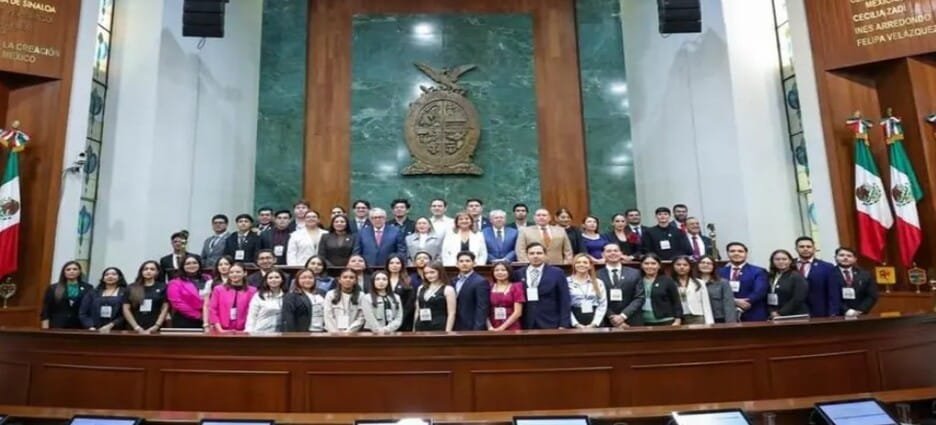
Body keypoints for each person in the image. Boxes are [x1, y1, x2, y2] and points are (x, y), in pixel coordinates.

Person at [517, 243, 572, 329]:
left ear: (545, 255)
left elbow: (564, 299)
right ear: (527, 255)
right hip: (525, 323)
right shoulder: (518, 274)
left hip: (550, 322)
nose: (535, 256)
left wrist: (564, 324)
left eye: (539, 253)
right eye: (531, 253)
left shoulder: (557, 273)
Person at [718, 242, 769, 321]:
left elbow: (760, 291)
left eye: (740, 251)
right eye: (732, 251)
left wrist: (747, 301)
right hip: (726, 315)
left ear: (746, 254)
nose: (736, 253)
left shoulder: (758, 271)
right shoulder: (719, 272)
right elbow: (717, 292)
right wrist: (735, 301)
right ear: (727, 254)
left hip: (752, 313)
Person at [598, 243, 645, 327]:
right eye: (609, 251)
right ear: (603, 255)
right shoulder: (597, 275)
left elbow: (639, 297)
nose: (613, 253)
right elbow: (597, 299)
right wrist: (611, 316)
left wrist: (623, 316)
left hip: (632, 320)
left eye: (616, 251)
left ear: (621, 253)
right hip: (607, 321)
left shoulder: (635, 273)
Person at [40, 261, 93, 329]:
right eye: (68, 269)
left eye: (75, 269)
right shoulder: (53, 288)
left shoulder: (88, 288)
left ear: (79, 272)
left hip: (80, 325)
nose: (71, 271)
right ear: (64, 272)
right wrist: (45, 328)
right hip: (57, 325)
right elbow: (46, 309)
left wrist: (90, 325)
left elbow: (90, 309)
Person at [208, 263, 258, 332]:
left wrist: (247, 329)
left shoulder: (252, 291)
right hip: (221, 329)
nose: (234, 274)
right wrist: (220, 330)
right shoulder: (218, 289)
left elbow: (254, 312)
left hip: (244, 330)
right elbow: (212, 310)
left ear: (245, 273)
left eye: (238, 272)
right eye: (231, 272)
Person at [166, 255, 212, 329]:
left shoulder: (208, 278)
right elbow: (177, 304)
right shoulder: (174, 283)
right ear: (182, 266)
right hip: (185, 321)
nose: (192, 265)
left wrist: (207, 316)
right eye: (188, 263)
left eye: (194, 263)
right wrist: (199, 316)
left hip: (208, 319)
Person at [123, 261, 170, 334]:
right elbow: (126, 309)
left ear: (157, 272)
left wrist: (156, 326)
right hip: (134, 327)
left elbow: (164, 308)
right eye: (146, 269)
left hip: (156, 327)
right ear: (141, 271)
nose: (148, 271)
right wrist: (136, 327)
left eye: (152, 269)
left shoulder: (163, 287)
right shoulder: (132, 287)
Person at [794, 236, 836, 317]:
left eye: (808, 246)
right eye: (802, 247)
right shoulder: (789, 265)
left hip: (820, 311)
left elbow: (832, 292)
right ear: (796, 249)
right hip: (794, 311)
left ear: (814, 248)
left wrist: (833, 312)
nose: (805, 249)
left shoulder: (827, 267)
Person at [831, 247, 877, 317]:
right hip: (837, 315)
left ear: (855, 259)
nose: (845, 258)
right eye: (841, 255)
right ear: (835, 258)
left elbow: (871, 296)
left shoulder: (865, 274)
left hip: (860, 314)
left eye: (849, 256)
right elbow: (830, 296)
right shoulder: (829, 274)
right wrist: (846, 310)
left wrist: (860, 310)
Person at [79, 267, 128, 332]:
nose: (110, 276)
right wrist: (90, 326)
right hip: (94, 329)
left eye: (114, 274)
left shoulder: (125, 292)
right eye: (106, 275)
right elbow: (83, 313)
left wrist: (111, 325)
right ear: (103, 278)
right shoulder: (93, 293)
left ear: (119, 277)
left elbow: (126, 313)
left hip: (117, 329)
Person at [639, 254, 683, 326]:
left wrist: (678, 319)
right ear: (641, 265)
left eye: (653, 263)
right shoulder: (637, 280)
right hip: (643, 321)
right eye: (646, 263)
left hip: (666, 320)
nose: (650, 266)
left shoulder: (667, 280)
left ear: (659, 266)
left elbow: (676, 301)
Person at [451, 251, 491, 331]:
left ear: (474, 263)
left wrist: (477, 329)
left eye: (468, 261)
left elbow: (482, 307)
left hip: (472, 326)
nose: (464, 263)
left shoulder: (481, 281)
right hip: (455, 325)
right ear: (457, 264)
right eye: (461, 261)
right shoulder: (453, 281)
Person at [671, 256, 714, 325]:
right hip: (676, 318)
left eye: (685, 265)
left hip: (697, 316)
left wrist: (709, 322)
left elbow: (706, 304)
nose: (682, 267)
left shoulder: (699, 282)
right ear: (673, 266)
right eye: (678, 265)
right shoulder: (668, 282)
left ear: (690, 267)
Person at [414, 262, 457, 331]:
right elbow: (417, 310)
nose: (429, 275)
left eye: (432, 272)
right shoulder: (421, 288)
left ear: (440, 272)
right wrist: (414, 328)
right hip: (421, 325)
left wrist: (448, 332)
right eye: (426, 273)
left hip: (439, 326)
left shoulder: (448, 289)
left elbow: (451, 313)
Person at [567, 254, 607, 329]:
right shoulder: (566, 282)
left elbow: (602, 304)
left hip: (595, 319)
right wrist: (576, 324)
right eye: (578, 262)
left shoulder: (598, 282)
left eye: (585, 262)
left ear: (590, 266)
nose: (581, 264)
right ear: (574, 265)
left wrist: (594, 323)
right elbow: (565, 306)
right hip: (575, 319)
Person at [767, 249, 810, 318]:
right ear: (772, 261)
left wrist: (781, 313)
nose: (781, 261)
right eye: (777, 259)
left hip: (794, 315)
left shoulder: (796, 276)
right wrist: (771, 311)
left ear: (790, 261)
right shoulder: (771, 276)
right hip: (775, 314)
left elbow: (798, 298)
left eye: (784, 259)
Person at [244, 268, 287, 333]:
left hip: (280, 333)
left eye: (277, 277)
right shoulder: (259, 296)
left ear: (282, 280)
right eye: (270, 278)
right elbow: (252, 316)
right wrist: (249, 332)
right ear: (266, 281)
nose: (273, 280)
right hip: (260, 332)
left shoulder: (287, 296)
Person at [697, 255, 737, 323]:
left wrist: (730, 323)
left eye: (709, 263)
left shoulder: (723, 283)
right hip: (698, 319)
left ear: (714, 266)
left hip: (718, 318)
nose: (705, 265)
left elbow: (729, 305)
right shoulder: (692, 282)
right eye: (702, 262)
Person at [487, 261, 525, 331]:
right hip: (492, 325)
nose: (500, 272)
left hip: (512, 325)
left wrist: (502, 328)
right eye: (496, 270)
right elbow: (484, 309)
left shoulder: (516, 287)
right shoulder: (489, 287)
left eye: (503, 270)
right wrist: (489, 326)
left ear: (509, 272)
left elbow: (518, 312)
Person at [386, 254, 416, 331]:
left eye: (398, 263)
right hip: (385, 317)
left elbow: (410, 303)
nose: (394, 265)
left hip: (404, 319)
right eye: (391, 263)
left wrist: (400, 318)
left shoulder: (408, 280)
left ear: (402, 265)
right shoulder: (382, 279)